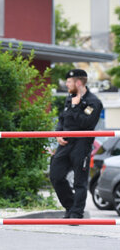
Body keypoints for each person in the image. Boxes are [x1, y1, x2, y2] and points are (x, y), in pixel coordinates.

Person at [49, 69, 102, 220]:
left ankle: (76, 214)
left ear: (78, 83)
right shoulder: (69, 98)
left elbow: (86, 123)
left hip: (82, 144)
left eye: (69, 82)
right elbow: (62, 119)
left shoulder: (93, 102)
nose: (66, 84)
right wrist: (58, 133)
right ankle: (71, 207)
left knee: (80, 181)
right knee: (56, 176)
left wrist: (75, 106)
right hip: (65, 143)